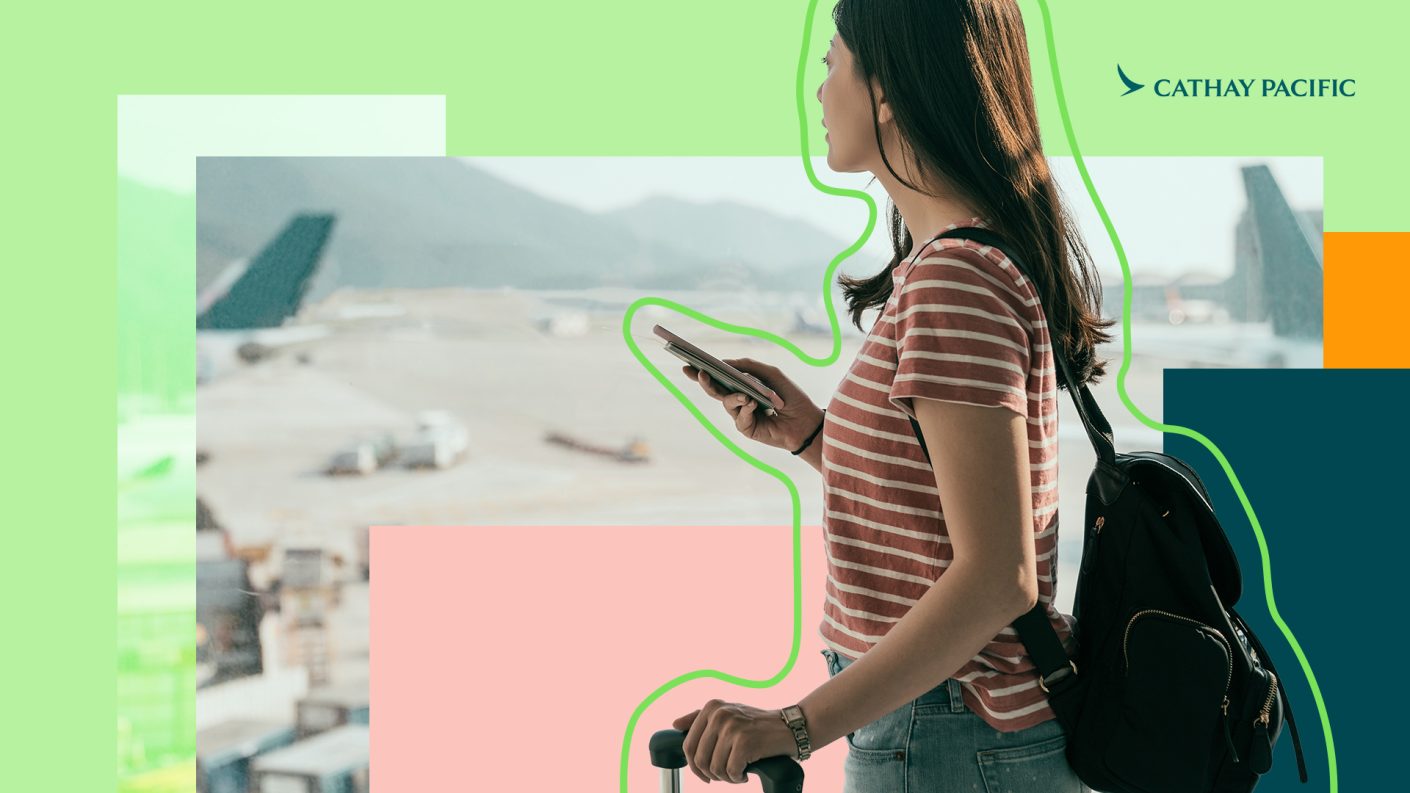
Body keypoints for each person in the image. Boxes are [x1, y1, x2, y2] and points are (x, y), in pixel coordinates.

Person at [670, 0, 1115, 789]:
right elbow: (940, 525)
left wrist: (792, 724)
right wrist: (813, 437)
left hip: (948, 732)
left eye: (831, 62)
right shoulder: (950, 265)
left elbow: (996, 575)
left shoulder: (956, 279)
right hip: (938, 726)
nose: (818, 91)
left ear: (890, 91)